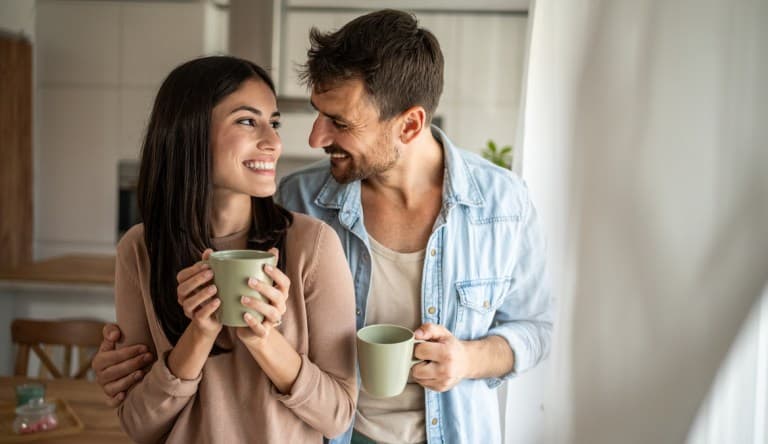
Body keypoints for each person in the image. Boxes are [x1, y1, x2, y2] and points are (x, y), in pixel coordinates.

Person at [94, 10, 552, 444]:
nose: (313, 138)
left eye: (339, 121)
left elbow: (535, 328)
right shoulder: (296, 202)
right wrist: (136, 367)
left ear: (409, 125)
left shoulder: (502, 205)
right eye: (317, 112)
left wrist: (468, 359)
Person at [108, 55, 357, 443]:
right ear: (189, 131)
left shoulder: (312, 245)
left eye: (274, 123)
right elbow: (139, 425)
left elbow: (338, 416)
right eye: (247, 121)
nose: (273, 142)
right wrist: (199, 334)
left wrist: (262, 338)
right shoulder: (139, 250)